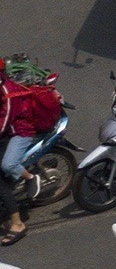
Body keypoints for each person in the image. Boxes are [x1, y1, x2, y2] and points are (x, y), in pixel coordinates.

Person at [0, 66, 63, 246]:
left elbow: (3, 123)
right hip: (8, 132)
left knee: (4, 170)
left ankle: (17, 224)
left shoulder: (8, 93)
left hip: (19, 132)